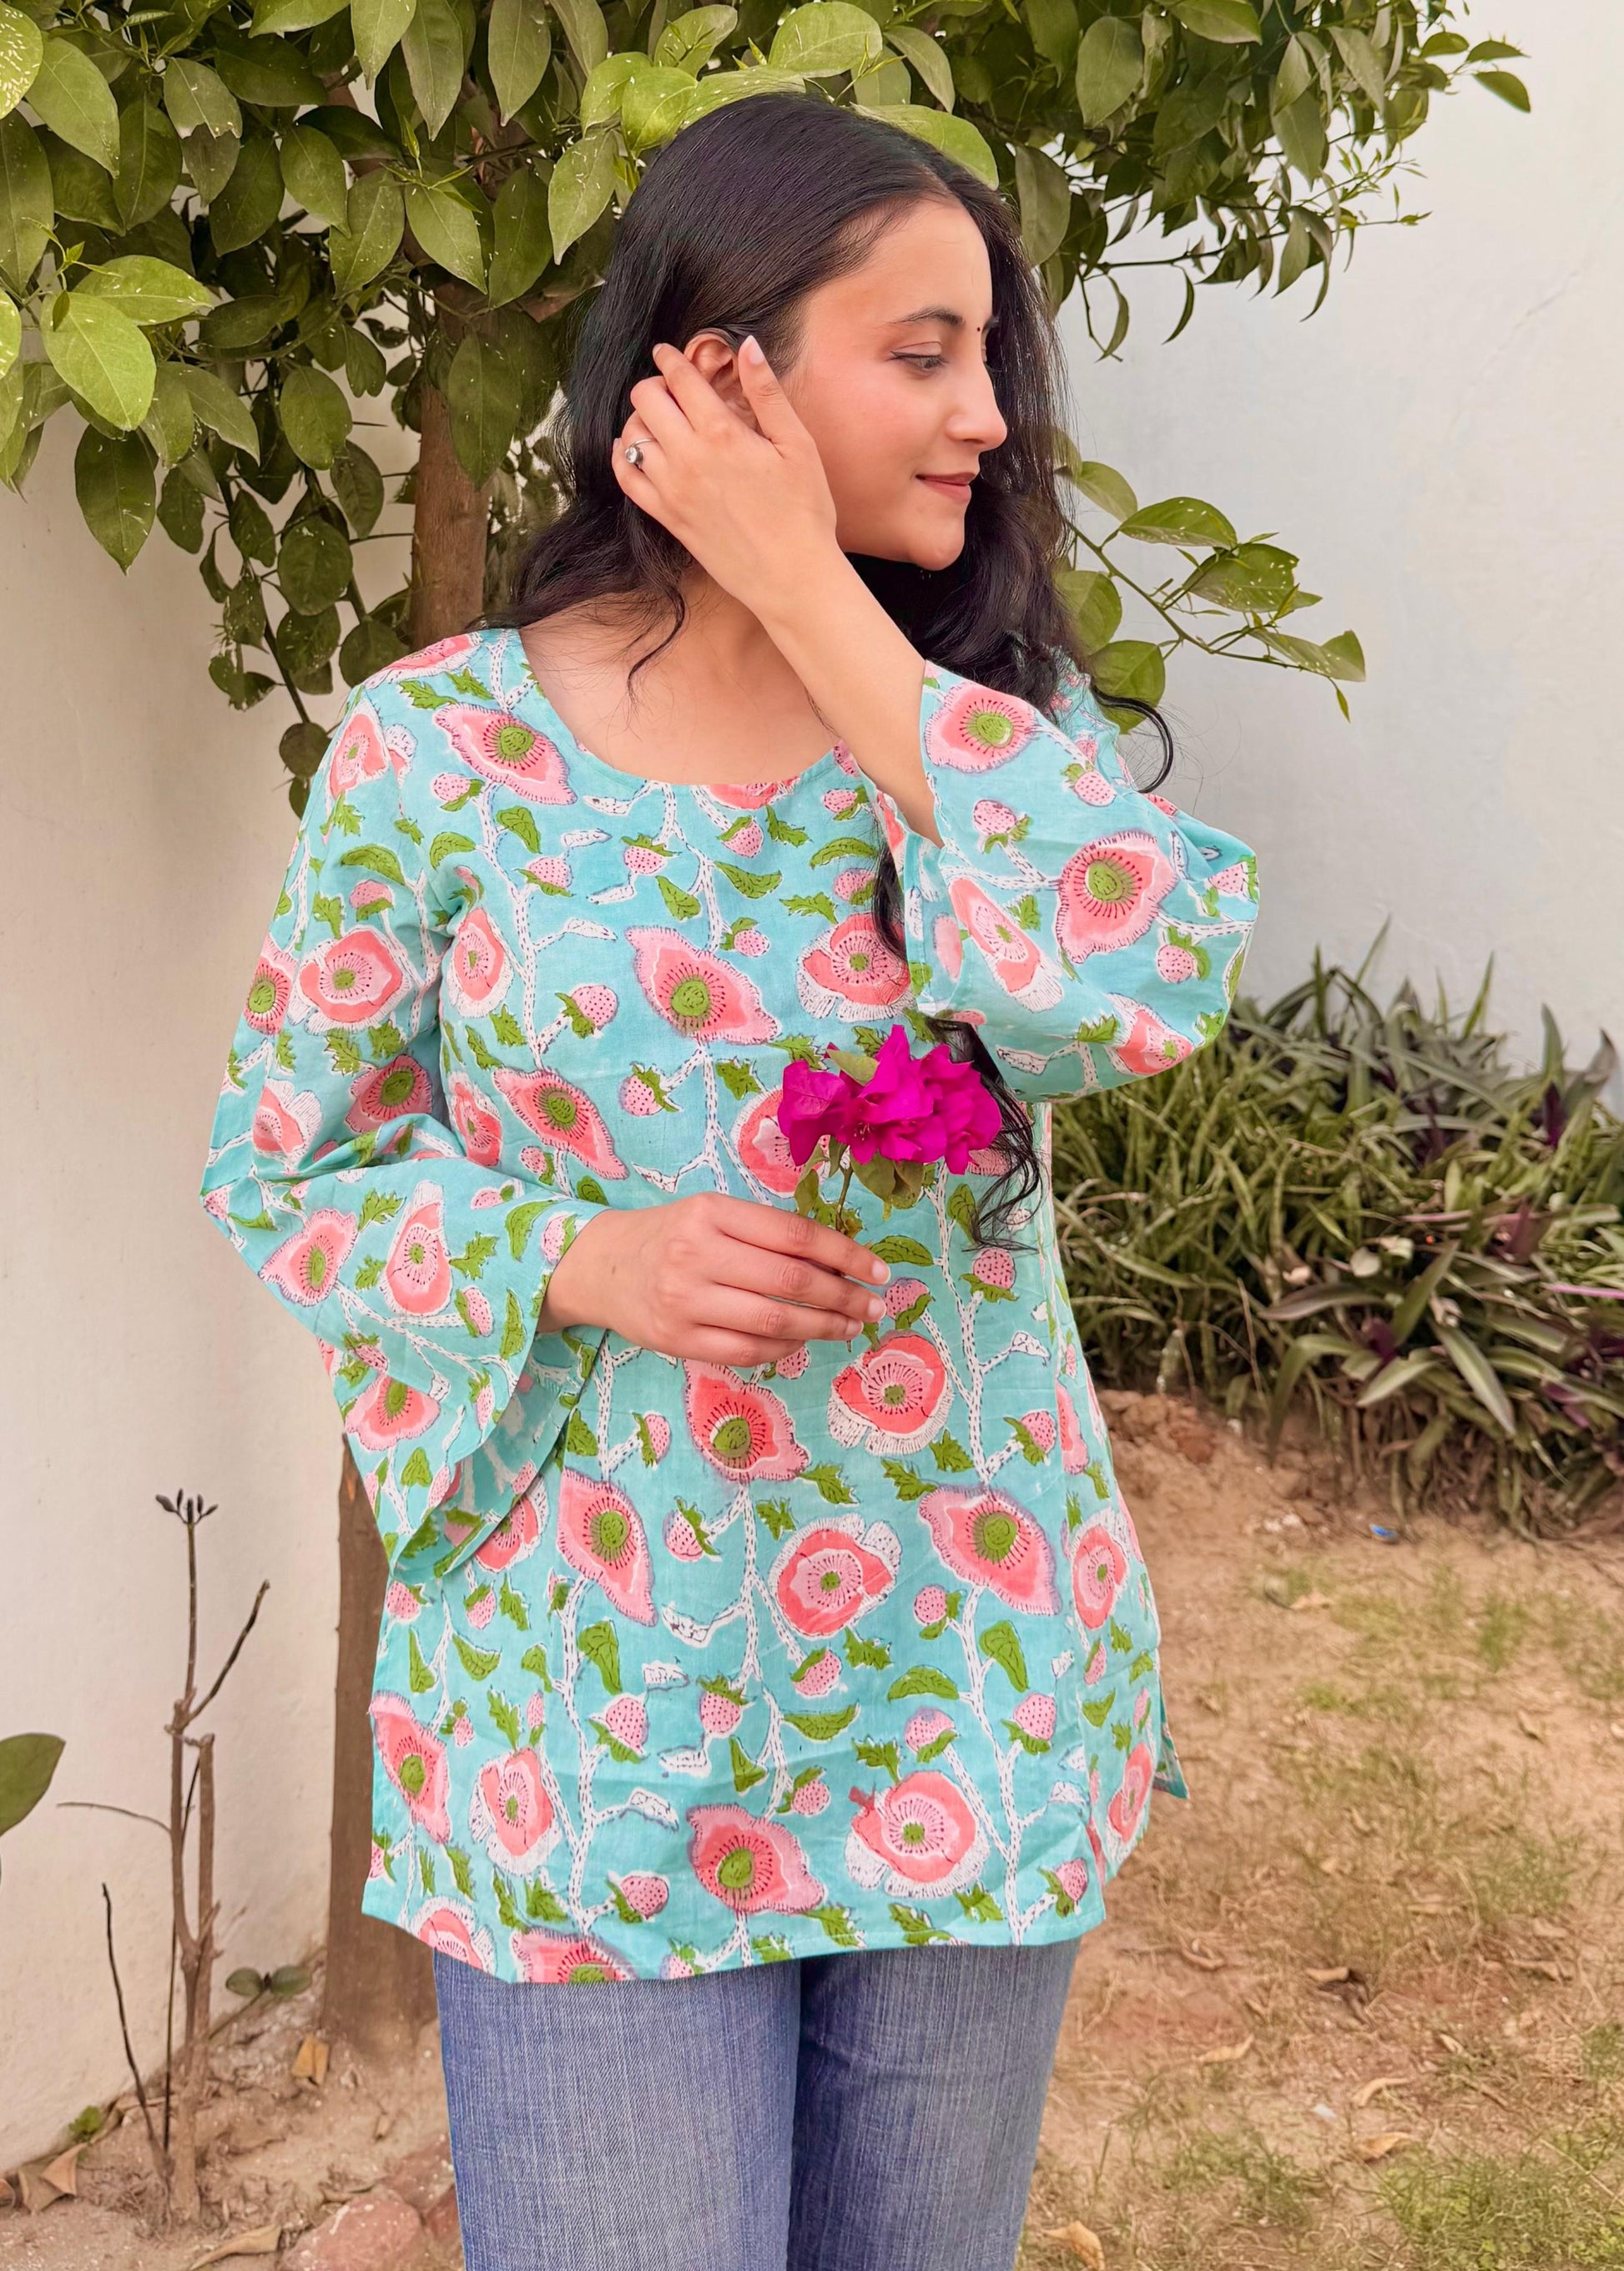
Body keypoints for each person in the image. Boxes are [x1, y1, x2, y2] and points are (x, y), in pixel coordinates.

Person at [199, 93, 1258, 2271]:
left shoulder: (977, 739)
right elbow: (285, 1168)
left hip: (959, 1676)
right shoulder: (438, 751)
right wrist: (577, 1253)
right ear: (716, 372)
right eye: (921, 348)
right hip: (587, 1708)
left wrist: (817, 605)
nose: (983, 413)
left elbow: (1127, 987)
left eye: (993, 359)